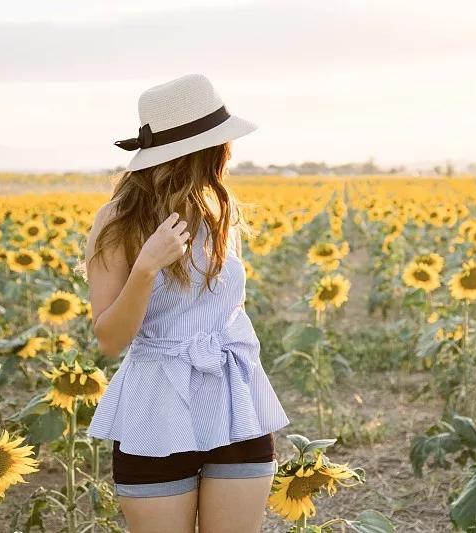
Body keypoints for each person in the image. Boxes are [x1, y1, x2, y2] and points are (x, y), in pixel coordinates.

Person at [82, 73, 291, 533]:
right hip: (157, 407)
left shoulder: (220, 211)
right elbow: (110, 339)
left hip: (235, 397)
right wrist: (146, 268)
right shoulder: (116, 222)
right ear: (204, 149)